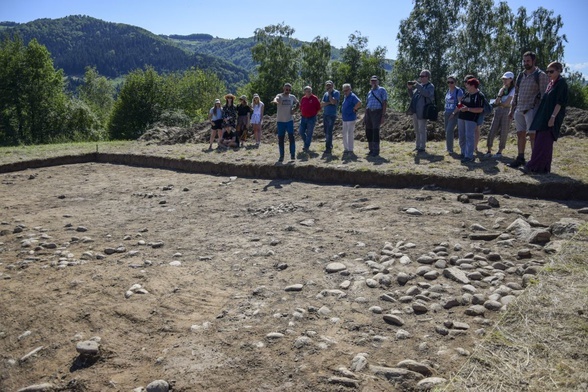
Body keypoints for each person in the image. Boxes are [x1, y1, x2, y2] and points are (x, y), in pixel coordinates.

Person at [523, 62, 568, 174]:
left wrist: (553, 117)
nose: (549, 74)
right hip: (543, 117)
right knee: (540, 142)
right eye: (547, 71)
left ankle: (535, 166)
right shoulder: (551, 83)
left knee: (544, 143)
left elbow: (560, 103)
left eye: (551, 71)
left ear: (558, 71)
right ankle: (542, 168)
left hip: (551, 118)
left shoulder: (561, 83)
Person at [507, 51, 549, 168]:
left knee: (533, 136)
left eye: (528, 61)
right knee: (520, 134)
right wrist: (512, 109)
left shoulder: (540, 75)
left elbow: (544, 95)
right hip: (519, 109)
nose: (526, 63)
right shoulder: (521, 75)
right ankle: (520, 158)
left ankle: (535, 160)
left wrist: (541, 113)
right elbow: (516, 93)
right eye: (524, 61)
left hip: (532, 109)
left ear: (533, 61)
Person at [485, 72, 515, 158]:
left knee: (504, 131)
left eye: (506, 79)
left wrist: (500, 103)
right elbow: (497, 102)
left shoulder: (513, 90)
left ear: (511, 79)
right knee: (492, 129)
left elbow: (506, 104)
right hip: (498, 111)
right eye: (503, 79)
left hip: (507, 112)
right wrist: (500, 94)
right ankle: (489, 150)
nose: (504, 80)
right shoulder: (502, 89)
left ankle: (499, 152)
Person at [455, 78, 484, 163]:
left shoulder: (479, 95)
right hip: (461, 117)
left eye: (468, 84)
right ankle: (463, 153)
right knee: (461, 136)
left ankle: (469, 156)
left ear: (473, 86)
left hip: (471, 119)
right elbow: (461, 103)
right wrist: (460, 106)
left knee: (469, 136)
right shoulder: (466, 94)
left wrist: (467, 109)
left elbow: (480, 109)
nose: (466, 86)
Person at [407, 69, 435, 153]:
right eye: (420, 76)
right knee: (416, 129)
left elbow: (426, 94)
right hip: (415, 111)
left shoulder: (430, 86)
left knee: (422, 129)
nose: (421, 78)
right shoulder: (420, 86)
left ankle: (422, 147)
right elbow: (412, 96)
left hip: (423, 111)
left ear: (427, 77)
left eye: (422, 76)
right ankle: (417, 145)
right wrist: (410, 89)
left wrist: (418, 86)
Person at [272, 83, 299, 162]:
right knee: (281, 139)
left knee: (291, 138)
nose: (288, 91)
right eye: (286, 89)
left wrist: (294, 110)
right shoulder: (280, 96)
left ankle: (293, 155)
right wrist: (275, 101)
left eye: (289, 90)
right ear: (283, 88)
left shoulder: (292, 97)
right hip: (280, 121)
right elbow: (276, 98)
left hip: (289, 120)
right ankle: (281, 156)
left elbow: (298, 103)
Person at [365, 75, 387, 157]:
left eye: (375, 80)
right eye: (372, 80)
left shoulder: (382, 90)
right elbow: (367, 104)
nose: (373, 82)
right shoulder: (369, 92)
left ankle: (376, 150)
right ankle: (371, 149)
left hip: (377, 112)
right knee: (368, 131)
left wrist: (383, 115)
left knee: (375, 131)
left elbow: (384, 102)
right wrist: (365, 115)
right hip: (369, 112)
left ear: (377, 81)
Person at [444, 75, 464, 154]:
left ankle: (450, 150)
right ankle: (449, 147)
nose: (450, 84)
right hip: (447, 112)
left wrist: (454, 112)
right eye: (448, 82)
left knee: (449, 130)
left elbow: (460, 103)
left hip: (455, 113)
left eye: (451, 82)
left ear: (455, 83)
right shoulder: (448, 90)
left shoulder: (458, 91)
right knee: (447, 131)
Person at [340, 83, 362, 156]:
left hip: (350, 118)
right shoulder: (345, 96)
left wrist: (355, 108)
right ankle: (346, 148)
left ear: (350, 89)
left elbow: (359, 103)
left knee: (350, 134)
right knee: (344, 133)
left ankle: (350, 149)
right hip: (345, 118)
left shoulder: (352, 96)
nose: (345, 92)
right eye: (344, 91)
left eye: (346, 90)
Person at [298, 86, 321, 152]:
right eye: (307, 91)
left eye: (310, 91)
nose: (309, 92)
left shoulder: (314, 98)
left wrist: (314, 114)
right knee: (301, 131)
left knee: (309, 133)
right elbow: (301, 107)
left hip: (311, 118)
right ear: (305, 92)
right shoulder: (303, 98)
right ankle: (306, 143)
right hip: (303, 117)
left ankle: (306, 146)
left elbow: (318, 108)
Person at [320, 80, 340, 154]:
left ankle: (328, 148)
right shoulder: (325, 94)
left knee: (329, 131)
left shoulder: (336, 92)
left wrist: (329, 95)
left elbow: (333, 102)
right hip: (325, 114)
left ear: (333, 85)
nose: (328, 87)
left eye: (330, 85)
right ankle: (329, 145)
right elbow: (322, 104)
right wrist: (329, 103)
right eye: (327, 85)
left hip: (332, 115)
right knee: (326, 131)